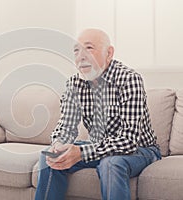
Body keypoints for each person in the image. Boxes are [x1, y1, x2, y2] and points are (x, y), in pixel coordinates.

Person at [34, 28, 161, 200]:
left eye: (89, 48)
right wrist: (58, 144)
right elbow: (66, 126)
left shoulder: (129, 79)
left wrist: (81, 152)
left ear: (109, 53)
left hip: (140, 149)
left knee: (111, 164)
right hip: (100, 146)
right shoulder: (74, 83)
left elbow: (129, 140)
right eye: (76, 50)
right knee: (50, 158)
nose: (81, 56)